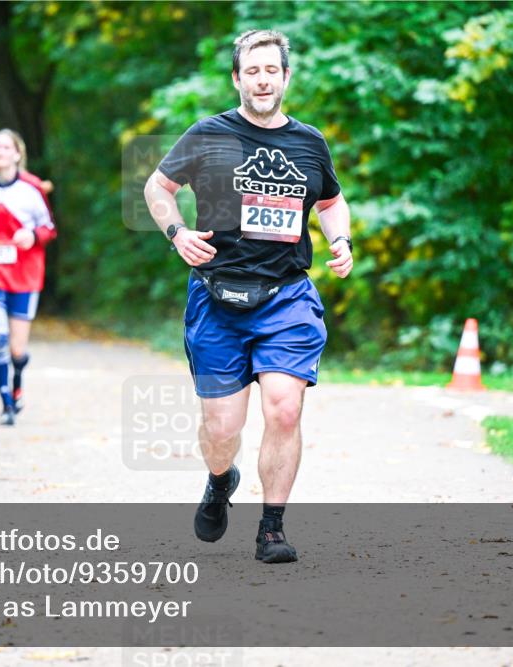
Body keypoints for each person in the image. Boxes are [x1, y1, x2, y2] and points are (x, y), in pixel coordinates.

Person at [143, 30, 353, 563]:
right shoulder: (207, 134)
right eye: (252, 71)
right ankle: (219, 480)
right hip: (218, 298)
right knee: (222, 429)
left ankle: (272, 530)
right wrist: (177, 233)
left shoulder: (309, 142)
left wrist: (342, 240)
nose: (262, 79)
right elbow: (157, 188)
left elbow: (331, 201)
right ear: (238, 79)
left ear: (285, 77)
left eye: (271, 70)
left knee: (284, 409)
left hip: (287, 297)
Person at [0, 129, 57, 426]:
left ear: (17, 153)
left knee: (17, 349)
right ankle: (6, 402)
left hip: (25, 274)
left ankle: (16, 377)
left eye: (6, 147)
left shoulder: (32, 189)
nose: (1, 152)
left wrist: (31, 235)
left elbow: (49, 228)